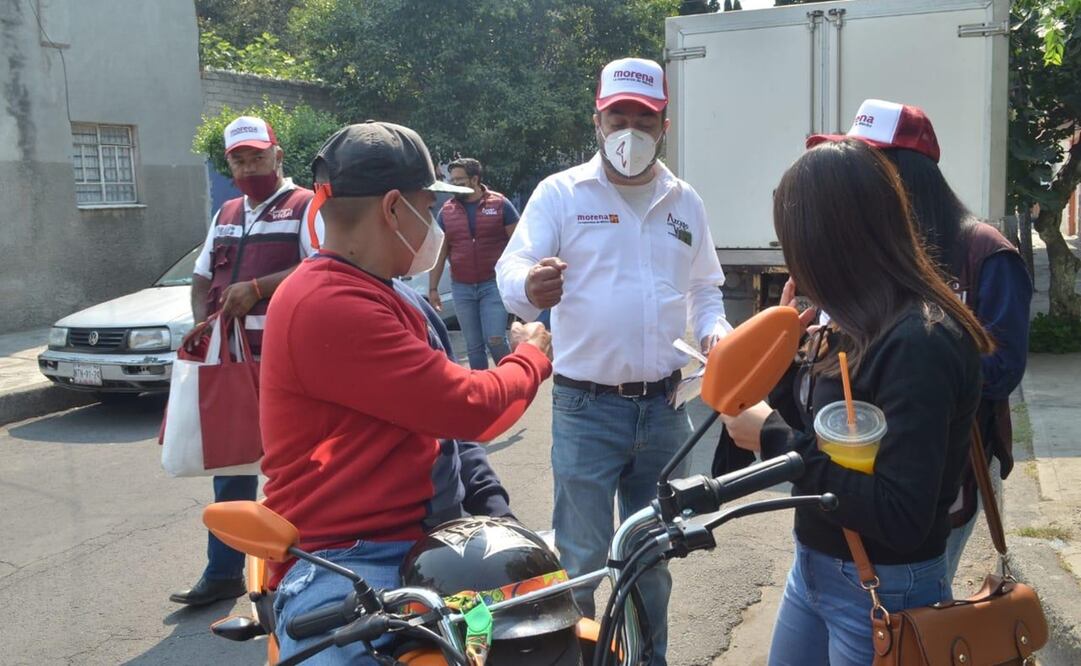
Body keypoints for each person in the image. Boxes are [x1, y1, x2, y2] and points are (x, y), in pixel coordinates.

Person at [259, 120, 553, 664]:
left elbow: (449, 431)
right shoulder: (328, 303)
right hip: (349, 558)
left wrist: (495, 511)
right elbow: (470, 407)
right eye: (429, 204)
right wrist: (532, 355)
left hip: (430, 542)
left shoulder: (393, 296)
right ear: (394, 208)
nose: (437, 219)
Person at [722, 139, 994, 666]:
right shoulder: (851, 322)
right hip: (815, 568)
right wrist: (780, 356)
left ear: (832, 243)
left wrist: (774, 438)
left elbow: (900, 515)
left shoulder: (920, 340)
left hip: (885, 584)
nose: (791, 264)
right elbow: (823, 434)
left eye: (794, 247)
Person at [496, 57, 732, 665]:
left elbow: (706, 288)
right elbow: (512, 272)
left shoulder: (685, 203)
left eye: (644, 117)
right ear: (598, 119)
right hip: (586, 407)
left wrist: (716, 333)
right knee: (579, 561)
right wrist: (532, 287)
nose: (631, 127)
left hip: (664, 409)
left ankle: (647, 660)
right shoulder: (561, 193)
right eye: (618, 114)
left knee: (652, 559)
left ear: (664, 125)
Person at [806, 99, 1032, 586]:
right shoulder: (874, 258)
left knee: (911, 604)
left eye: (868, 168)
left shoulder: (987, 252)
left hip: (951, 465)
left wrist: (918, 366)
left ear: (904, 176)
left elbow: (1007, 366)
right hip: (859, 460)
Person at [170, 115, 319, 607]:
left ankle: (298, 572)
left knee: (291, 469)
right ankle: (222, 573)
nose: (249, 165)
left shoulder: (304, 207)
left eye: (258, 156)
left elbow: (321, 267)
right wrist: (206, 327)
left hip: (286, 363)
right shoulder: (228, 211)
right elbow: (199, 277)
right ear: (228, 164)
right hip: (232, 362)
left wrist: (257, 288)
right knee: (232, 469)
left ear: (278, 156)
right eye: (240, 158)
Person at [428, 158, 520, 369]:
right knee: (474, 347)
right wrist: (432, 289)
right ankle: (482, 395)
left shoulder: (500, 204)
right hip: (462, 287)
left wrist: (519, 281)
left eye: (459, 180)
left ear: (475, 179)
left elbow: (519, 245)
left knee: (495, 339)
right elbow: (440, 252)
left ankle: (511, 382)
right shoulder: (447, 212)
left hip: (493, 284)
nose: (454, 184)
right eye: (452, 180)